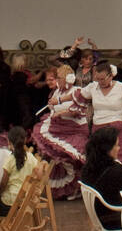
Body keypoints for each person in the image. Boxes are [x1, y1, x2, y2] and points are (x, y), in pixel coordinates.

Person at [32, 64, 89, 200]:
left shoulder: (77, 91)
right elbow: (53, 109)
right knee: (59, 158)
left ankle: (77, 189)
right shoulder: (57, 92)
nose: (58, 80)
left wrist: (60, 113)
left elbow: (78, 110)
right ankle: (66, 191)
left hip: (75, 130)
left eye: (59, 77)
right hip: (60, 128)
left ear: (68, 79)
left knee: (73, 159)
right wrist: (54, 111)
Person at [80, 127, 122, 228]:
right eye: (116, 145)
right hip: (117, 217)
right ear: (107, 149)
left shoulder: (87, 169)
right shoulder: (116, 170)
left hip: (99, 217)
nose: (119, 148)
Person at [0, 126, 39, 218]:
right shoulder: (31, 158)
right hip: (26, 201)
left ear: (9, 142)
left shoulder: (10, 160)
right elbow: (38, 175)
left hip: (10, 204)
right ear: (25, 140)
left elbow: (3, 183)